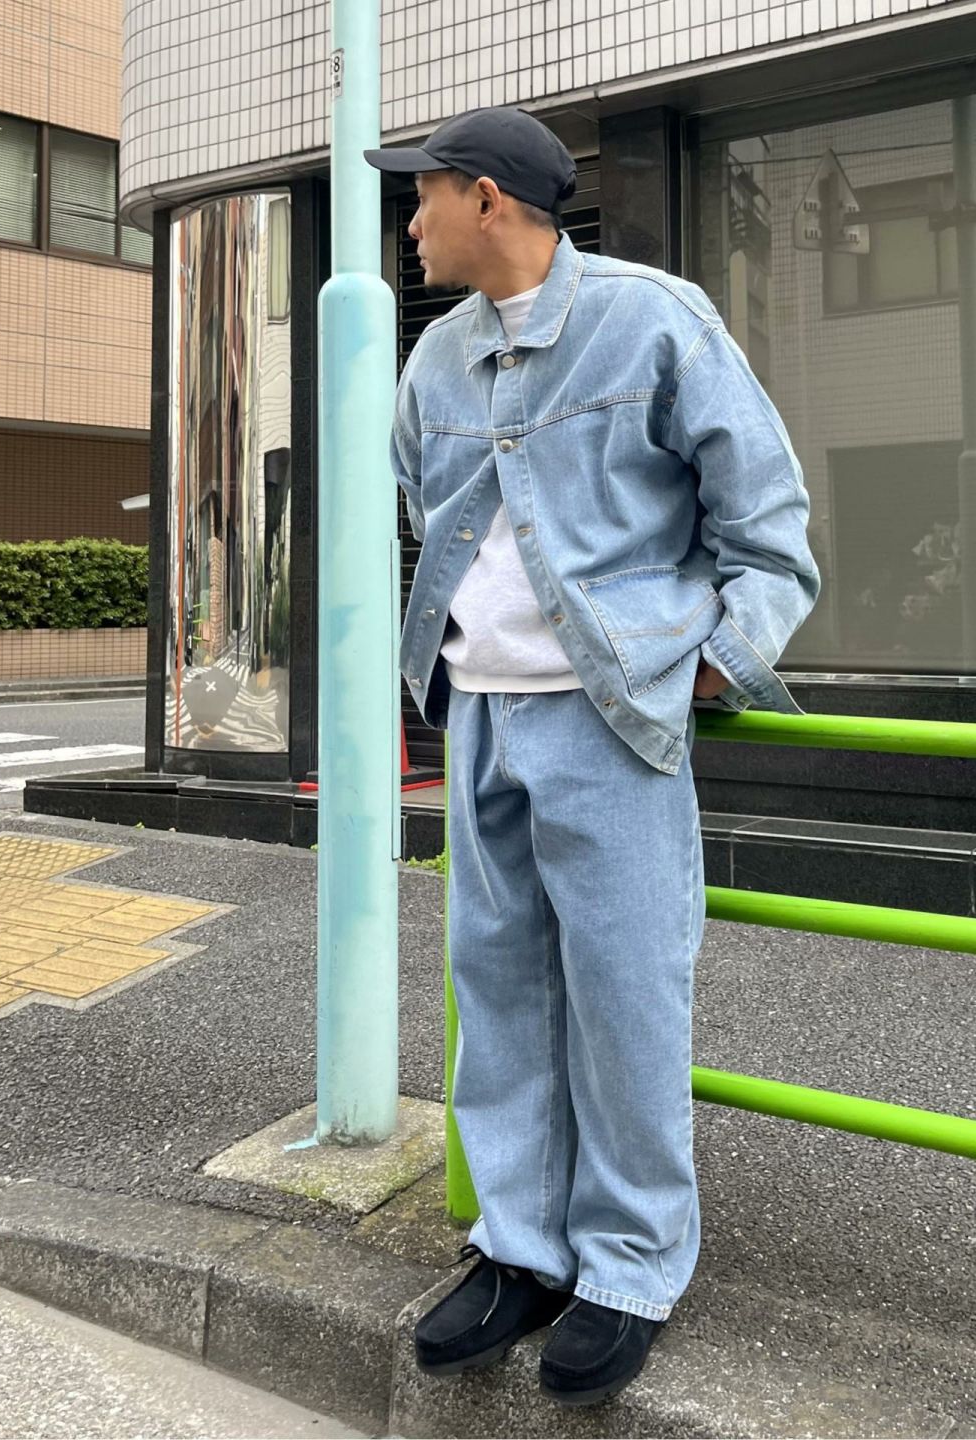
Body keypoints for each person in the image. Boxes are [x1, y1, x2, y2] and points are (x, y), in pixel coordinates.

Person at [365, 106, 818, 1407]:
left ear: (490, 199)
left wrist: (714, 661)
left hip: (611, 715)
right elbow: (425, 507)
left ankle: (629, 1265)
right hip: (479, 711)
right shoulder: (438, 357)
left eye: (425, 195)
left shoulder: (655, 320)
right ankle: (521, 1245)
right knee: (500, 989)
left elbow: (770, 525)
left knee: (625, 995)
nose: (412, 222)